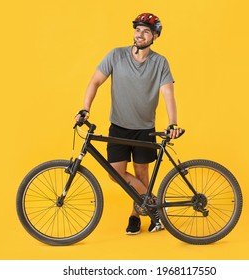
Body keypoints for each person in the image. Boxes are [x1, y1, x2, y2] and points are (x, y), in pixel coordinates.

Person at [75, 12, 182, 235]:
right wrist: (85, 109)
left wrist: (173, 123)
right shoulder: (116, 55)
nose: (140, 34)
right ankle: (154, 208)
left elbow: (168, 95)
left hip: (145, 130)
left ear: (155, 36)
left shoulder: (160, 63)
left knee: (142, 175)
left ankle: (136, 216)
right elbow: (95, 81)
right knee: (115, 174)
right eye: (138, 30)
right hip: (119, 127)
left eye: (146, 31)